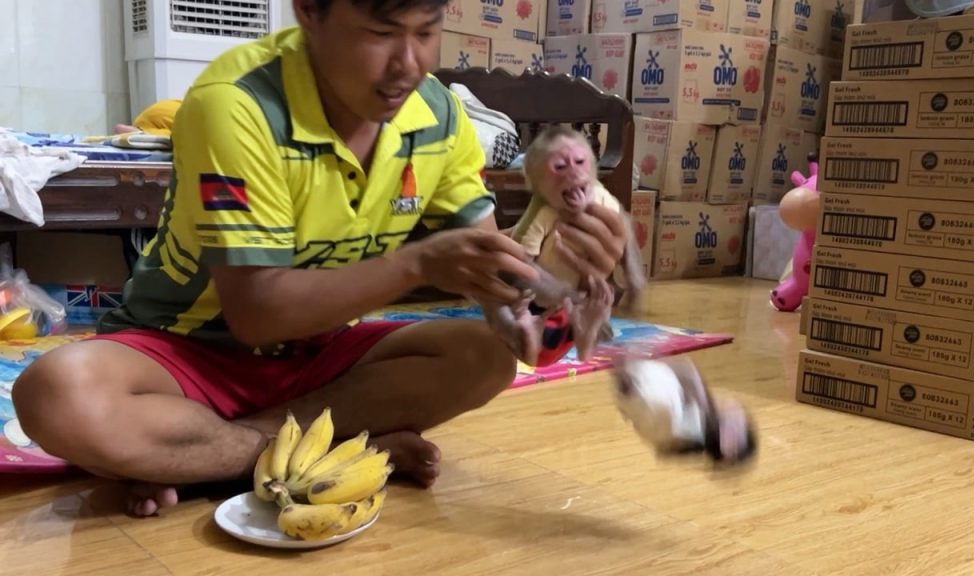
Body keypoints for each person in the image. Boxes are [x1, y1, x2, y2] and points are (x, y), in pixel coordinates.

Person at [11, 0, 629, 518]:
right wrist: (417, 264)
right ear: (309, 13)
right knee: (56, 395)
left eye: (426, 32)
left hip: (316, 357)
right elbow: (255, 315)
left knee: (484, 357)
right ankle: (324, 454)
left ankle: (213, 457)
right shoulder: (238, 103)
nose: (408, 64)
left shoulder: (438, 115)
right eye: (381, 32)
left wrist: (559, 289)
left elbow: (496, 286)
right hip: (181, 350)